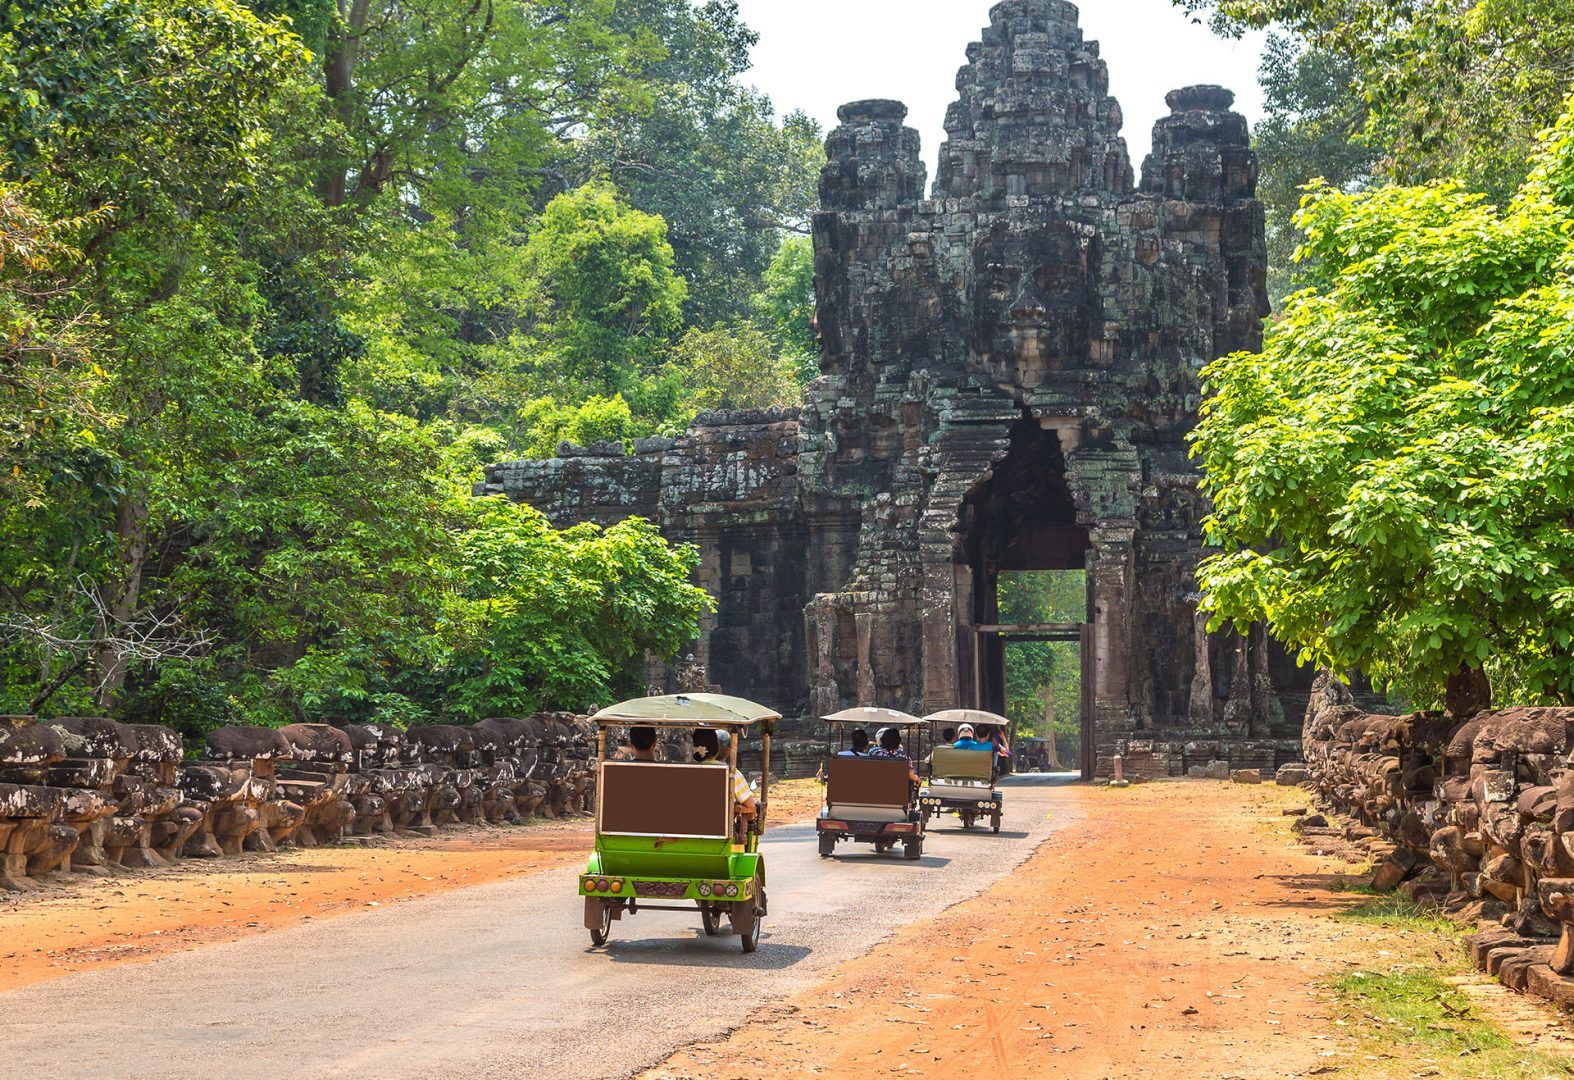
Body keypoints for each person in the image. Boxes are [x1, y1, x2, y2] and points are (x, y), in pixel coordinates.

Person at [692, 728, 757, 818]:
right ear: (717, 747)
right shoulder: (732, 773)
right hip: (720, 828)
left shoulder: (682, 773)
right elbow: (750, 806)